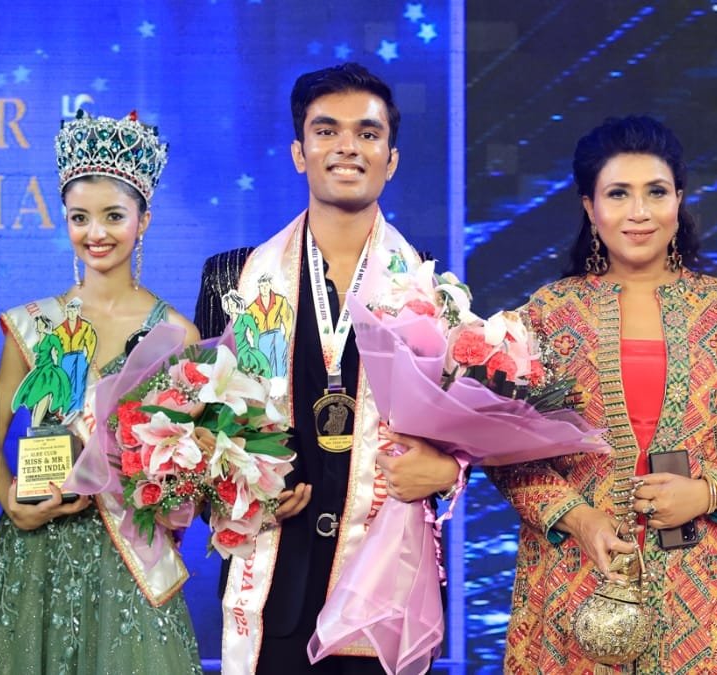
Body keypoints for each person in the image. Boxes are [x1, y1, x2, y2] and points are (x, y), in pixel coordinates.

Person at [486, 115, 717, 673]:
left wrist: (707, 492)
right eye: (618, 194)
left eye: (656, 192)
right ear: (590, 208)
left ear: (678, 200)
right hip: (577, 581)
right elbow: (504, 451)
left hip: (705, 589)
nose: (639, 212)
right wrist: (578, 518)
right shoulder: (546, 315)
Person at [195, 63, 462, 674]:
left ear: (391, 160)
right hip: (273, 580)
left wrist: (447, 471)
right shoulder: (233, 278)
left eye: (367, 133)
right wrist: (238, 486)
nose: (347, 147)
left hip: (384, 580)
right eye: (326, 131)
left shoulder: (430, 285)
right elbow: (200, 420)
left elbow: (459, 432)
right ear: (299, 153)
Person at [0, 109, 202, 674]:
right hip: (34, 551)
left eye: (113, 216)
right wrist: (8, 498)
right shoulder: (33, 324)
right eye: (80, 217)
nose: (96, 233)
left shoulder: (178, 335)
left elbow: (190, 458)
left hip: (129, 555)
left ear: (143, 220)